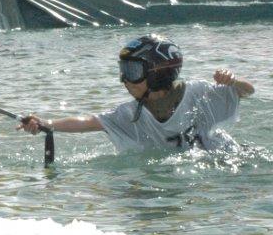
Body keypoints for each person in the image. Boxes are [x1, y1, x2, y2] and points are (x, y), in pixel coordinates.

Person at [20, 35, 255, 153]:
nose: (124, 80)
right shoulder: (131, 114)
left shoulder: (199, 93)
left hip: (229, 157)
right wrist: (46, 123)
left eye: (132, 72)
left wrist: (234, 81)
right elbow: (89, 122)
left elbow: (247, 91)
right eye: (123, 71)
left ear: (158, 73)